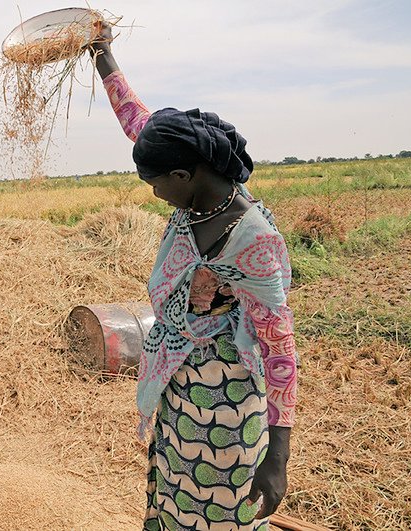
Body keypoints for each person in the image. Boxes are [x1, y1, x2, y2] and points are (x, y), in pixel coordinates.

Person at [90, 23, 298, 531]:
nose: (154, 193)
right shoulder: (189, 173)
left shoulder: (251, 240)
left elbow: (279, 346)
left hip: (227, 401)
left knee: (217, 512)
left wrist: (277, 460)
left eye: (155, 184)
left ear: (183, 176)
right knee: (173, 498)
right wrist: (102, 54)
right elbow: (138, 119)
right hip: (179, 377)